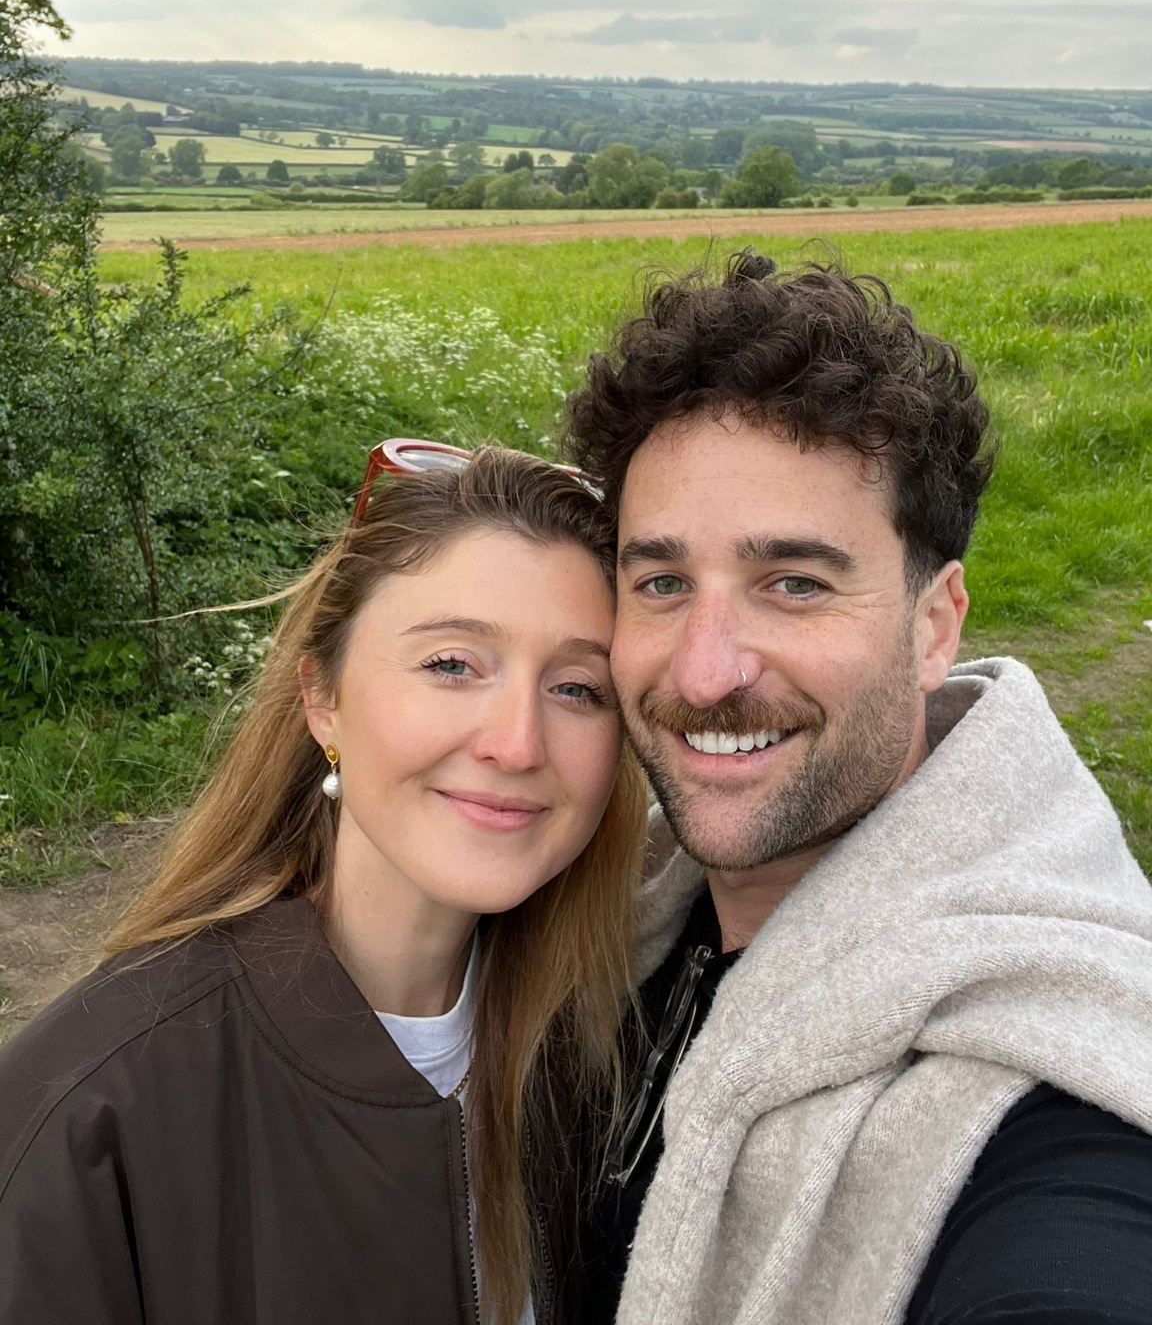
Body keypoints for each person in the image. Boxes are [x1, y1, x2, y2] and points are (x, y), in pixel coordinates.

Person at [566, 251, 1152, 1325]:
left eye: (793, 584)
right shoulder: (630, 913)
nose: (704, 672)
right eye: (660, 582)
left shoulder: (1055, 1087)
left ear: (936, 625)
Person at [0, 444, 647, 1325]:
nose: (518, 743)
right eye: (452, 665)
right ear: (322, 699)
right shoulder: (89, 1114)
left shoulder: (600, 1057)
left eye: (578, 688)